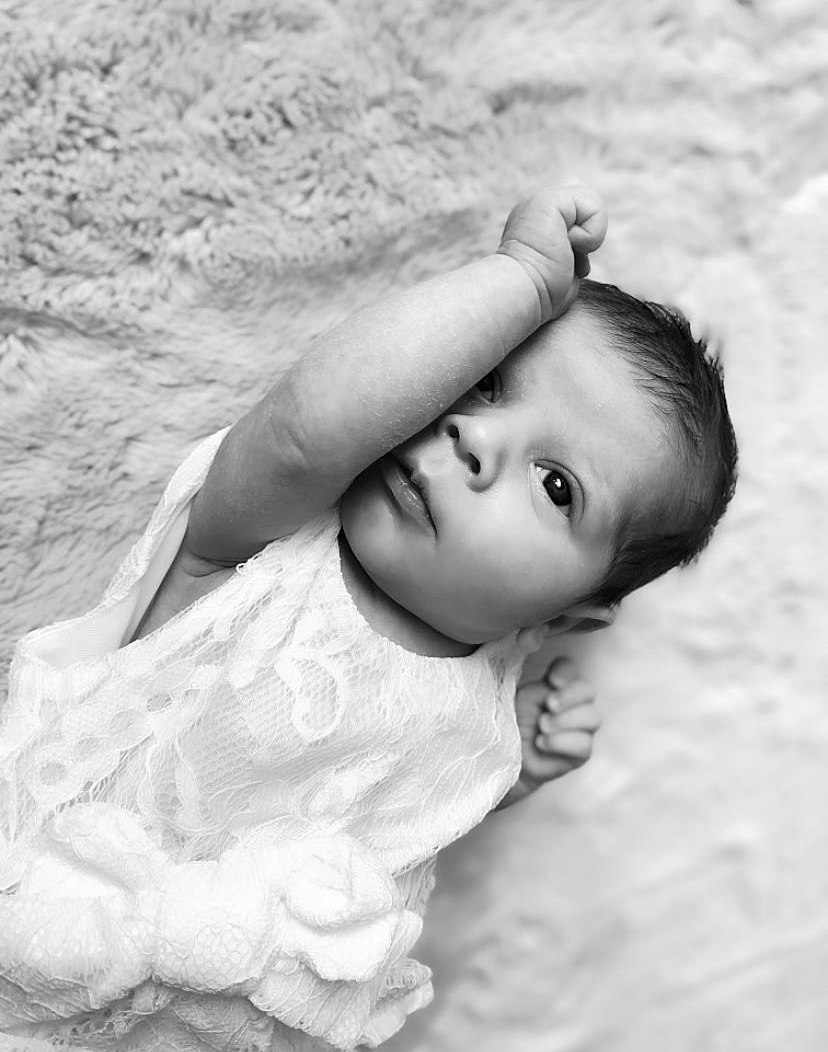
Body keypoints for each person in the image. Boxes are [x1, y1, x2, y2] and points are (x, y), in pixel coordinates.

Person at [0, 185, 737, 1051]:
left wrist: (510, 776)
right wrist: (520, 280)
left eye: (556, 484)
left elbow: (390, 839)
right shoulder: (268, 541)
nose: (473, 436)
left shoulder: (481, 724)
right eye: (483, 380)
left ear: (568, 614)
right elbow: (306, 431)